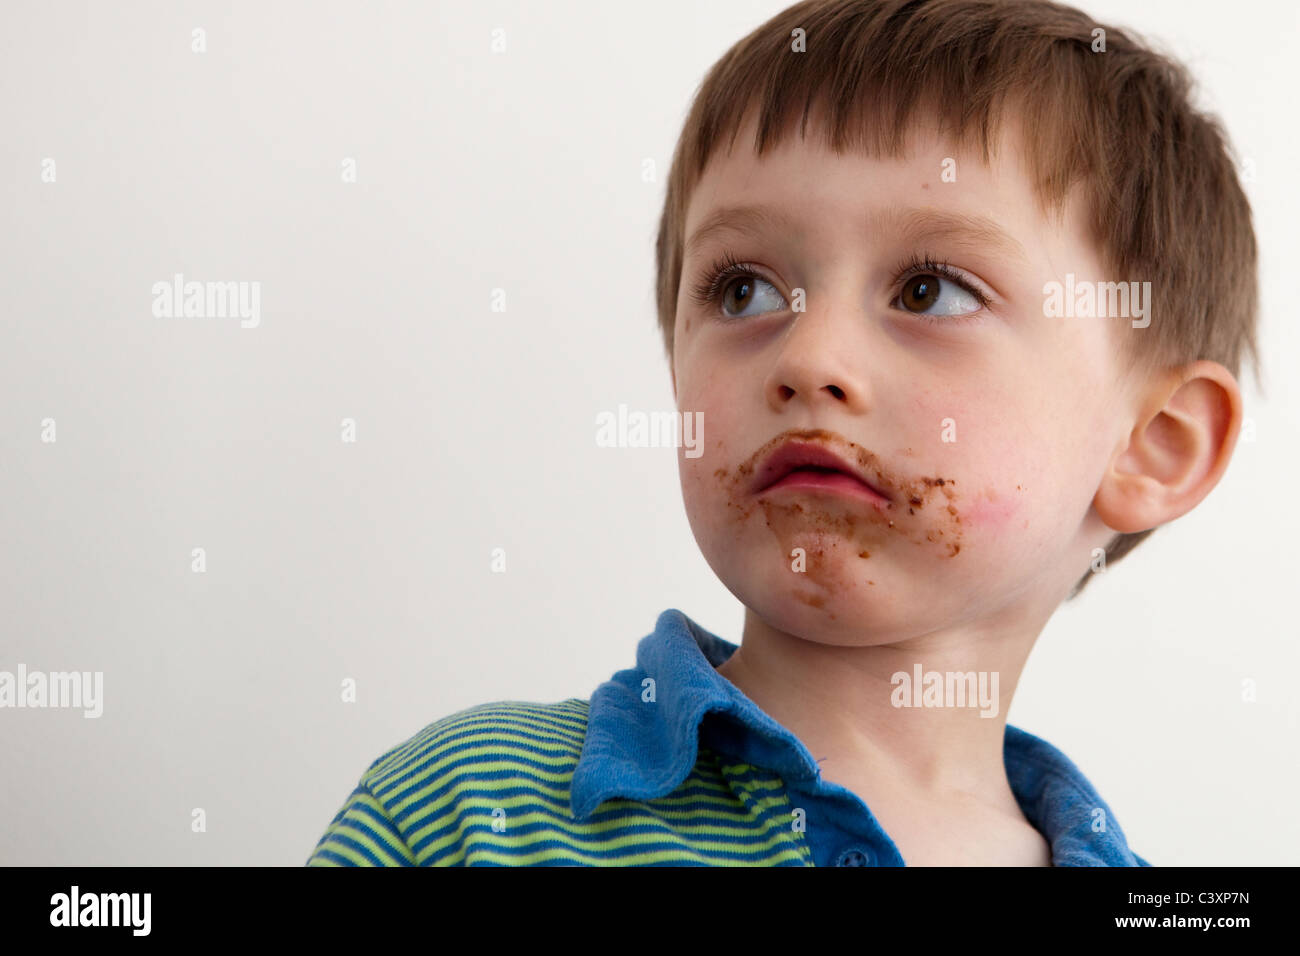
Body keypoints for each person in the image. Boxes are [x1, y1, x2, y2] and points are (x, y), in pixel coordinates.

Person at [307, 0, 1257, 866]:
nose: (810, 358)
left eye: (929, 290)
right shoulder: (468, 809)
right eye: (743, 290)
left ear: (1154, 445)